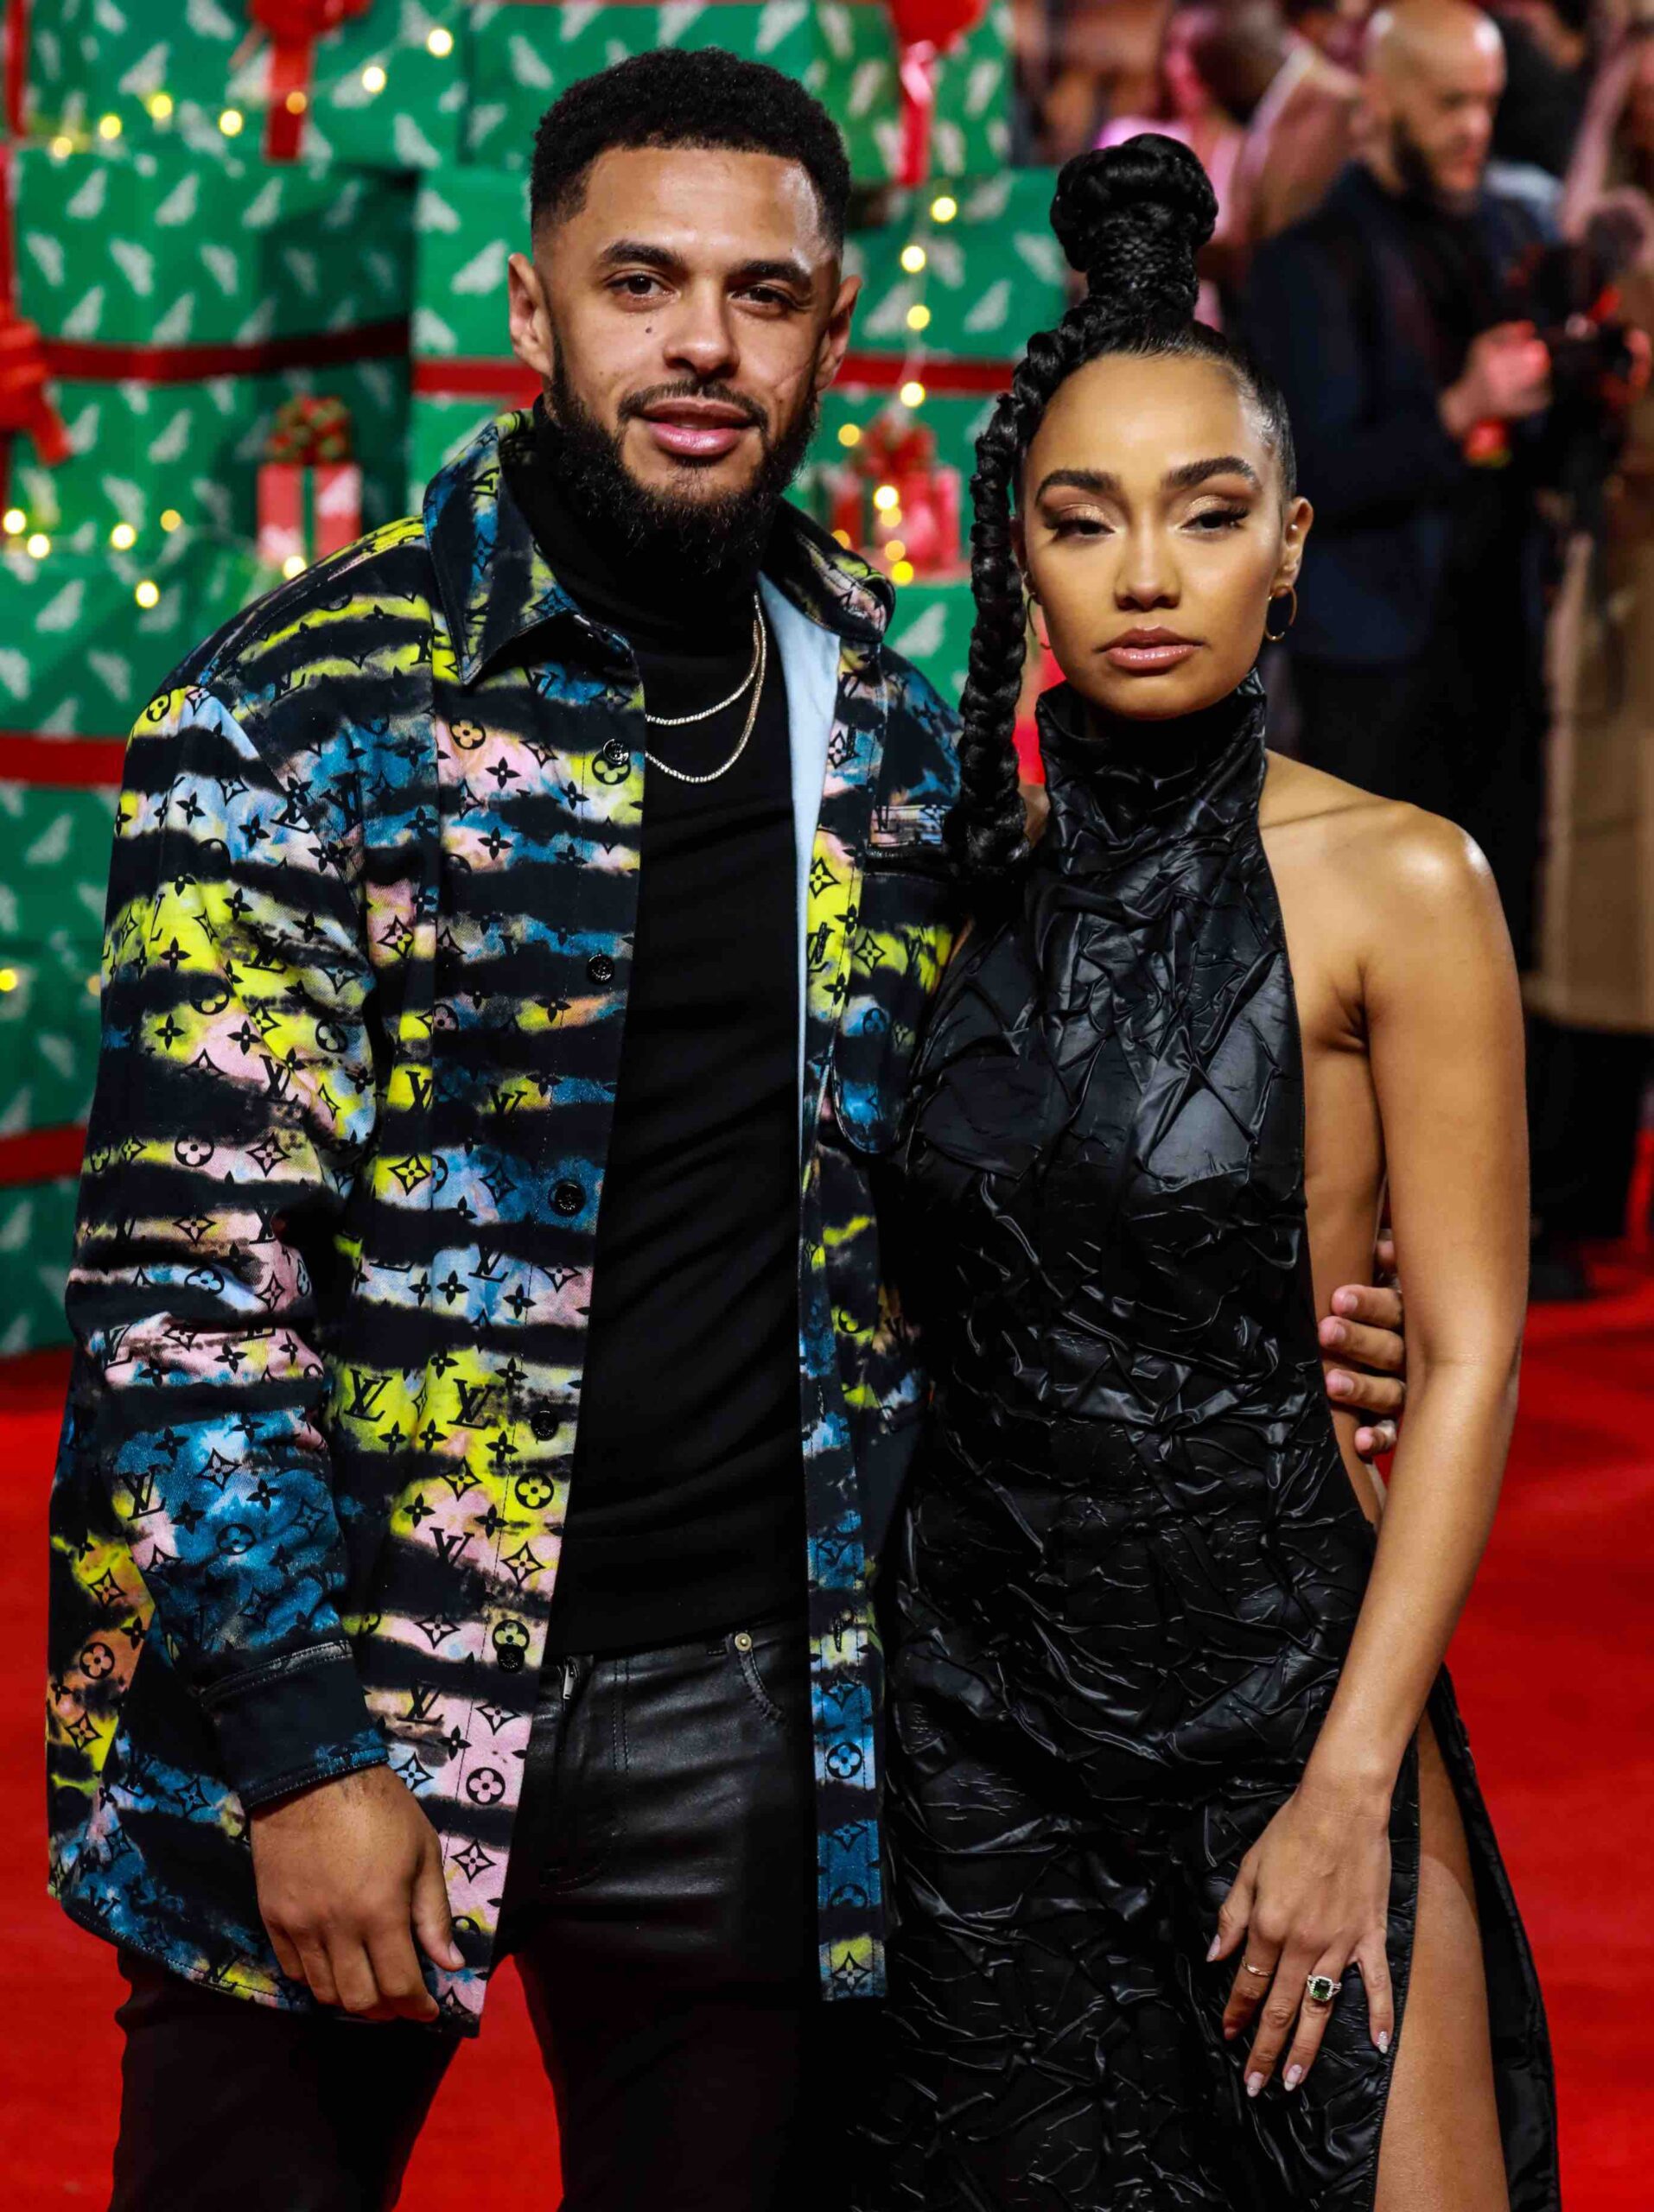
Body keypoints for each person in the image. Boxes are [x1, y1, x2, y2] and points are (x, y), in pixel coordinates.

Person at [43, 49, 1412, 2212]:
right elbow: (182, 1295)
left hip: (763, 1712)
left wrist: (1296, 1309)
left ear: (829, 330)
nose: (701, 342)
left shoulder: (885, 719)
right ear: (532, 307)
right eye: (641, 283)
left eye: (761, 294)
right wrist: (300, 1745)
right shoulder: (297, 709)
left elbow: (981, 1162)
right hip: (360, 1681)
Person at [856, 135, 1557, 2210]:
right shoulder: (946, 886)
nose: (1146, 572)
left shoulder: (1401, 879)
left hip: (1288, 1699)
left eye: (1207, 510)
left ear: (1289, 542)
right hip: (973, 1733)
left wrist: (1349, 1779)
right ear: (1018, 555)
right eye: (1084, 520)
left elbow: (1474, 1352)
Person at [1244, 0, 1557, 961]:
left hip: (1499, 653)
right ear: (1380, 101)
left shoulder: (1507, 230)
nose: (1475, 129)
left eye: (1488, 103)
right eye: (1450, 104)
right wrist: (1460, 410)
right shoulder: (1309, 262)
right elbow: (1311, 477)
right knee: (1375, 950)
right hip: (1373, 666)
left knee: (1497, 945)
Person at [1188, 0, 1364, 293]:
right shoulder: (1262, 113)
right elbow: (1251, 244)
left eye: (1208, 77)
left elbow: (1301, 239)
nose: (1206, 95)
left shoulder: (1339, 106)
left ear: (1238, 63)